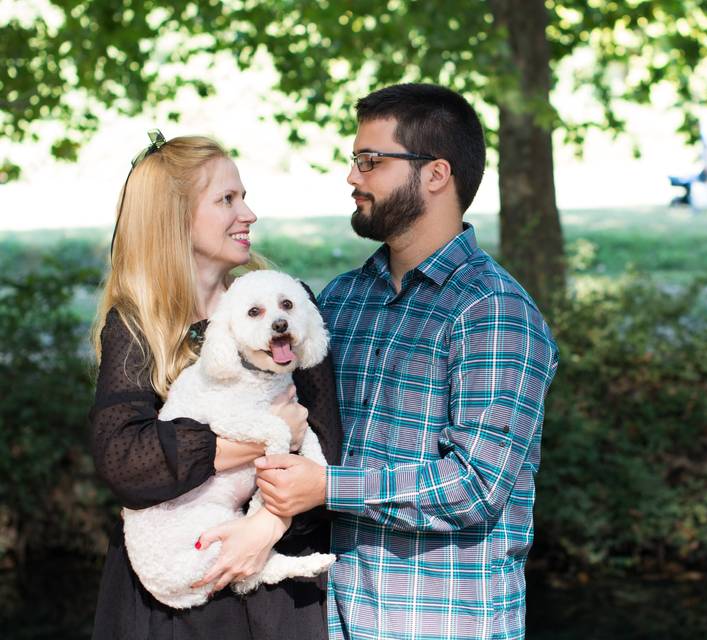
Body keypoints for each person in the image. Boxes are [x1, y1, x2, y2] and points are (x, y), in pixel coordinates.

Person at [253, 83, 560, 639]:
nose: (353, 177)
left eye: (371, 162)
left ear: (436, 174)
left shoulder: (494, 312)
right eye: (354, 160)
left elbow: (475, 487)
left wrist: (327, 487)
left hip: (440, 623)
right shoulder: (342, 300)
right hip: (333, 615)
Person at [89, 132, 342, 639]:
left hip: (272, 587)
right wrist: (260, 436)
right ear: (174, 217)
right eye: (227, 199)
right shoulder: (140, 325)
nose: (248, 213)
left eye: (243, 196)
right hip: (170, 601)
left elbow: (325, 448)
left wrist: (261, 530)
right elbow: (125, 461)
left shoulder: (281, 302)